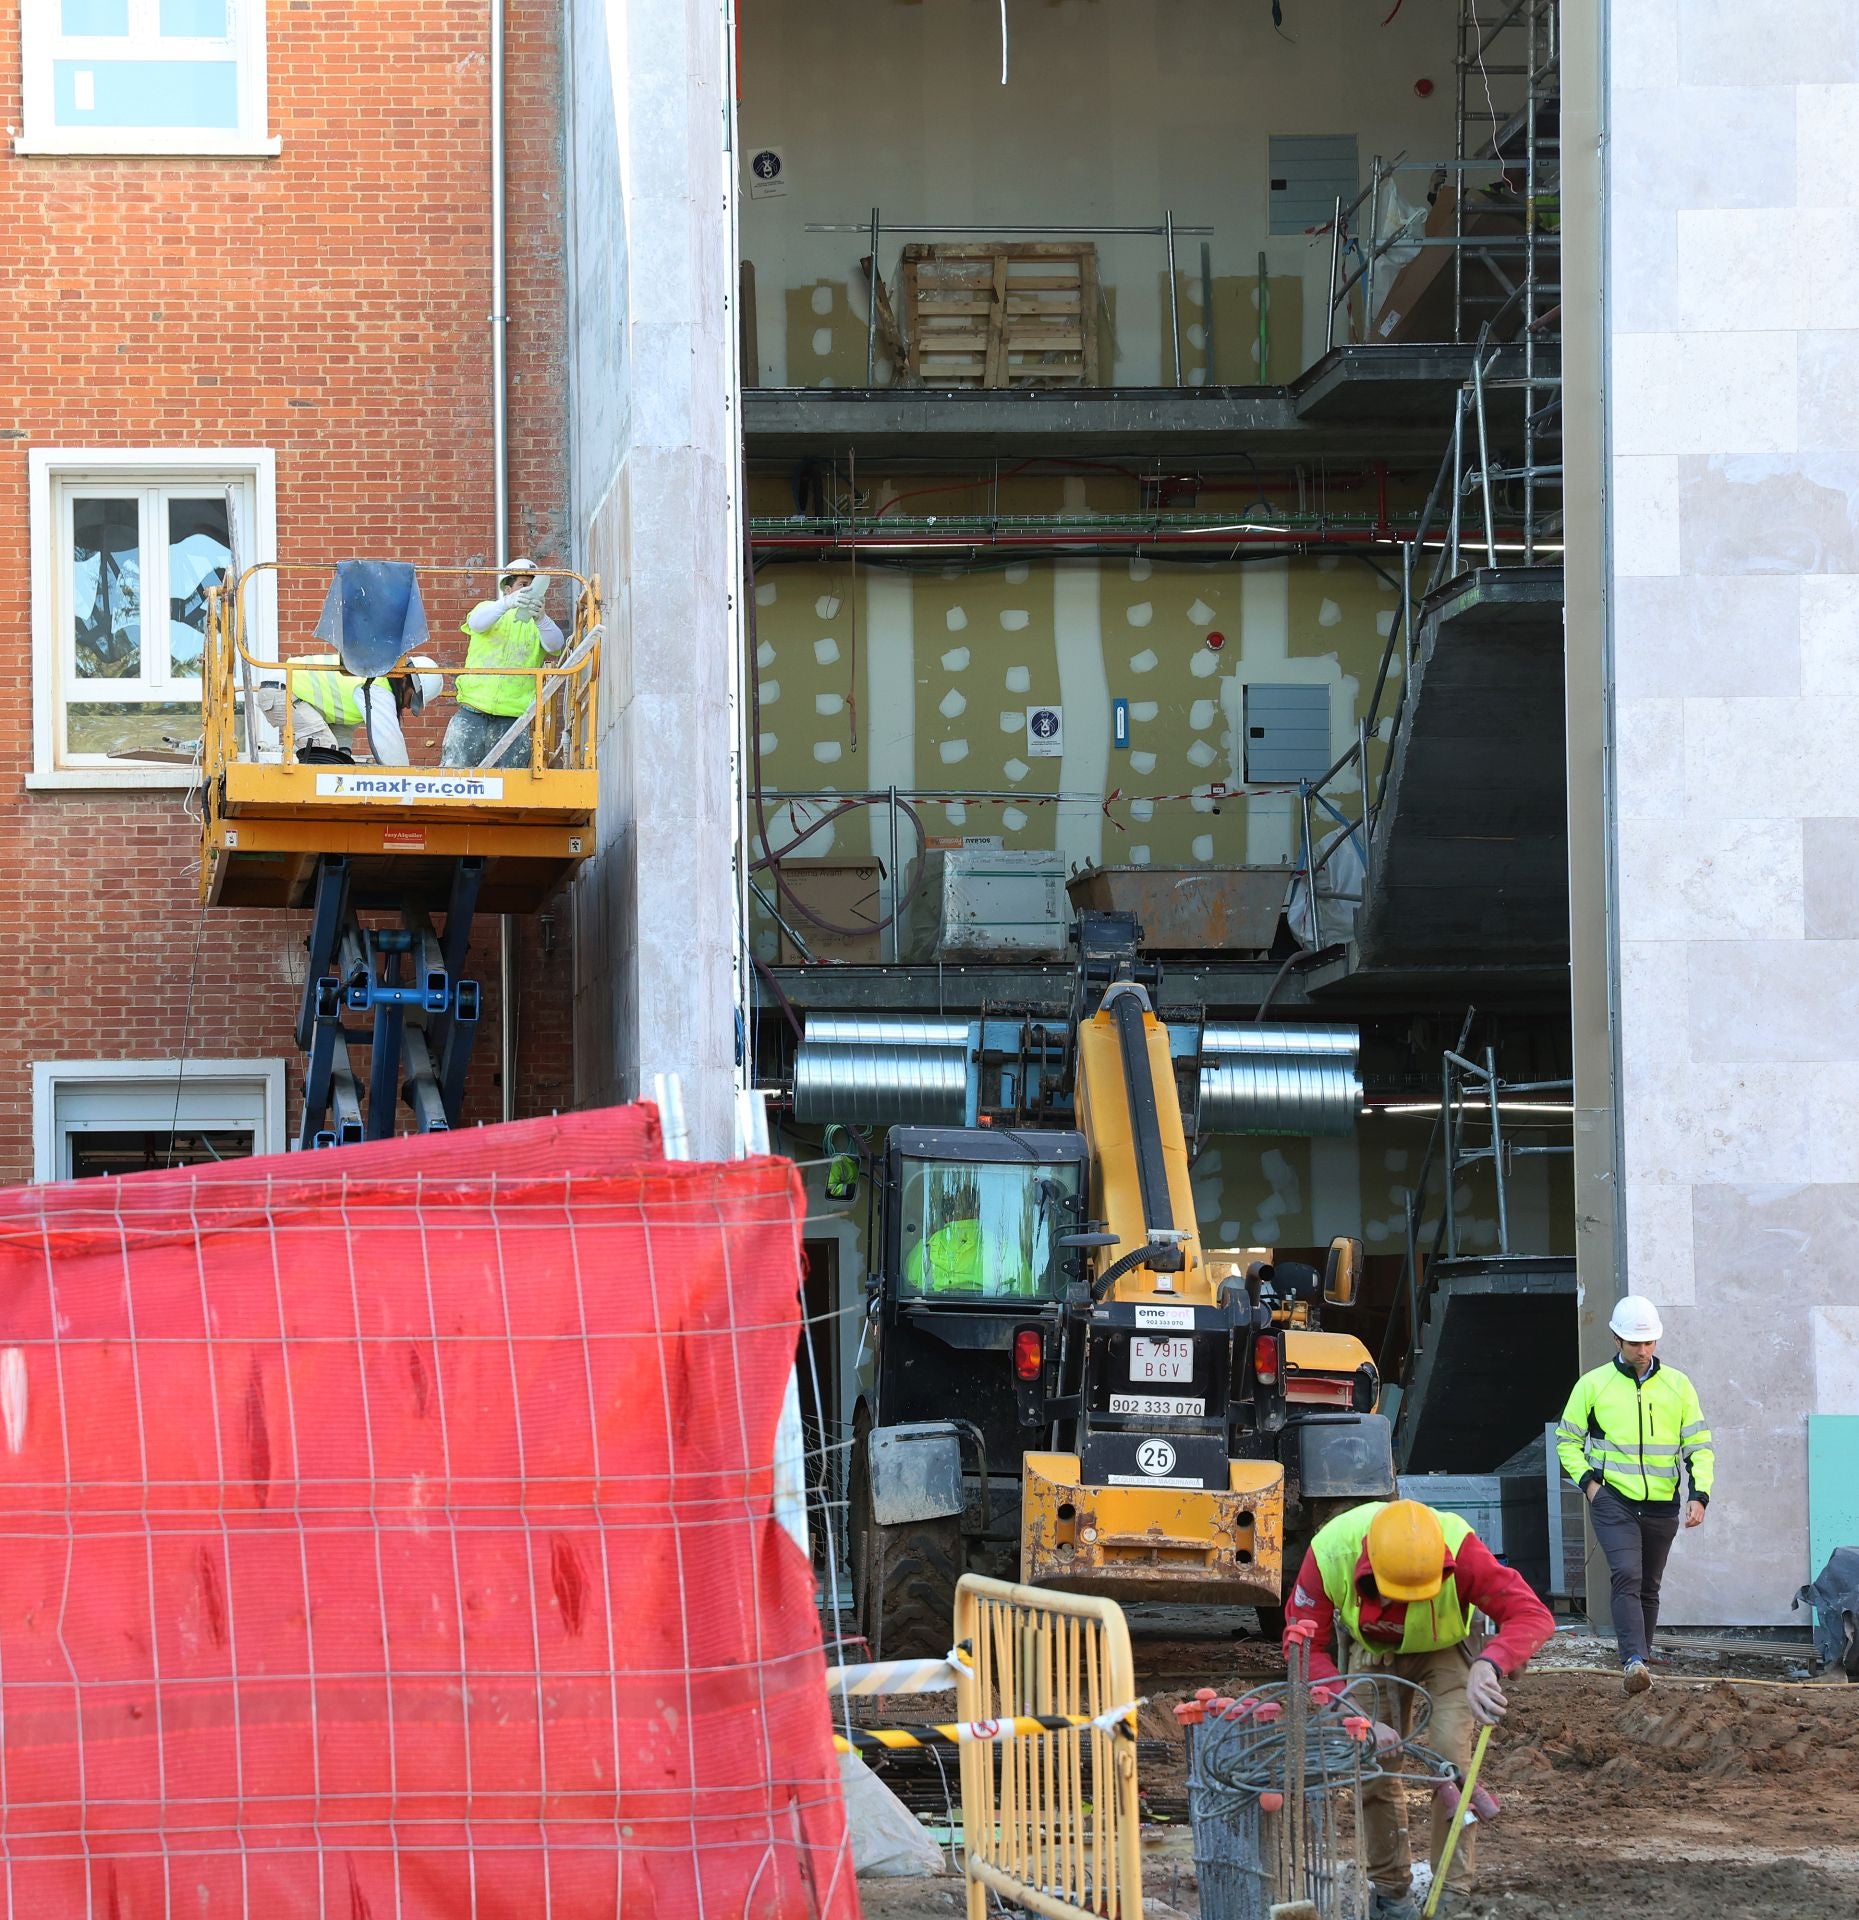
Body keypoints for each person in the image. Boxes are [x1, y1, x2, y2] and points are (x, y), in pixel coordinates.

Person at [1284, 1498, 1555, 1920]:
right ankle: (1391, 1894)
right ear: (1368, 1570)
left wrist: (1491, 1663)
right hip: (1373, 1652)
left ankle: (1453, 1896)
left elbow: (1532, 1614)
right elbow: (1302, 1645)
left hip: (1444, 1651)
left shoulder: (1460, 1550)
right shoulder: (1329, 1552)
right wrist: (1356, 1715)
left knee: (1451, 1763)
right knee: (1373, 1765)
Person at [1556, 1295, 1714, 1696]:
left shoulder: (1678, 1385)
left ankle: (1642, 1651)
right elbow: (1566, 1440)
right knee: (1626, 1572)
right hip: (1614, 1500)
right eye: (1633, 1343)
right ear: (1616, 1340)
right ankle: (1633, 1660)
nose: (1642, 1351)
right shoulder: (1592, 1385)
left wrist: (1700, 1494)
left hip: (1663, 1503)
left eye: (1648, 1343)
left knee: (1649, 1583)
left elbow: (1698, 1443)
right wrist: (1590, 1485)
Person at [442, 558, 566, 769]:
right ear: (508, 589)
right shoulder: (490, 609)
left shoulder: (538, 624)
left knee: (508, 785)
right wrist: (507, 604)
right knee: (456, 774)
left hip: (514, 717)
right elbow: (476, 623)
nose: (528, 591)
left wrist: (541, 618)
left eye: (533, 586)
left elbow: (556, 645)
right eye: (523, 585)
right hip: (473, 711)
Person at [255, 656, 442, 766]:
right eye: (412, 699)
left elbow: (342, 729)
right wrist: (403, 782)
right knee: (325, 754)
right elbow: (389, 741)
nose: (408, 706)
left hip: (283, 690)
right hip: (282, 691)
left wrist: (344, 757)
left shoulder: (370, 683)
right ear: (406, 682)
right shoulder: (377, 687)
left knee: (332, 756)